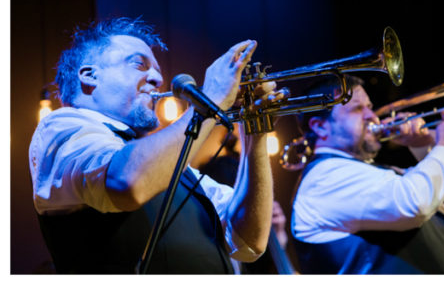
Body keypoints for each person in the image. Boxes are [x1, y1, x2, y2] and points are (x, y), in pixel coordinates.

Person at [29, 16, 280, 273]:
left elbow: (249, 241)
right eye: (139, 64)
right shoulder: (61, 127)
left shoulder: (172, 163)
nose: (158, 80)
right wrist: (211, 100)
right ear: (90, 76)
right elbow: (126, 183)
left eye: (158, 71)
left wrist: (255, 131)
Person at [289, 78, 444, 273]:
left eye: (369, 107)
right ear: (320, 126)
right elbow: (415, 204)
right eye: (357, 109)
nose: (372, 116)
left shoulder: (364, 171)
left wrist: (424, 144)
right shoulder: (324, 179)